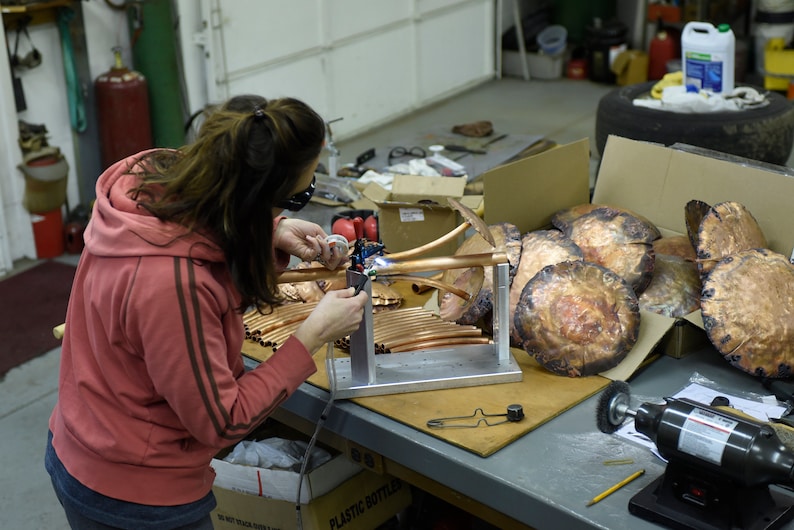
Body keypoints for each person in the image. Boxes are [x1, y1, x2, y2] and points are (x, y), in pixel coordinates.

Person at [45, 94, 368, 529]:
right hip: (134, 495)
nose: (297, 204)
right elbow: (222, 421)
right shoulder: (172, 284)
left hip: (87, 438)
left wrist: (273, 229)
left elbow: (202, 219)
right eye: (295, 197)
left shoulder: (155, 178)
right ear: (257, 193)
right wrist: (311, 336)